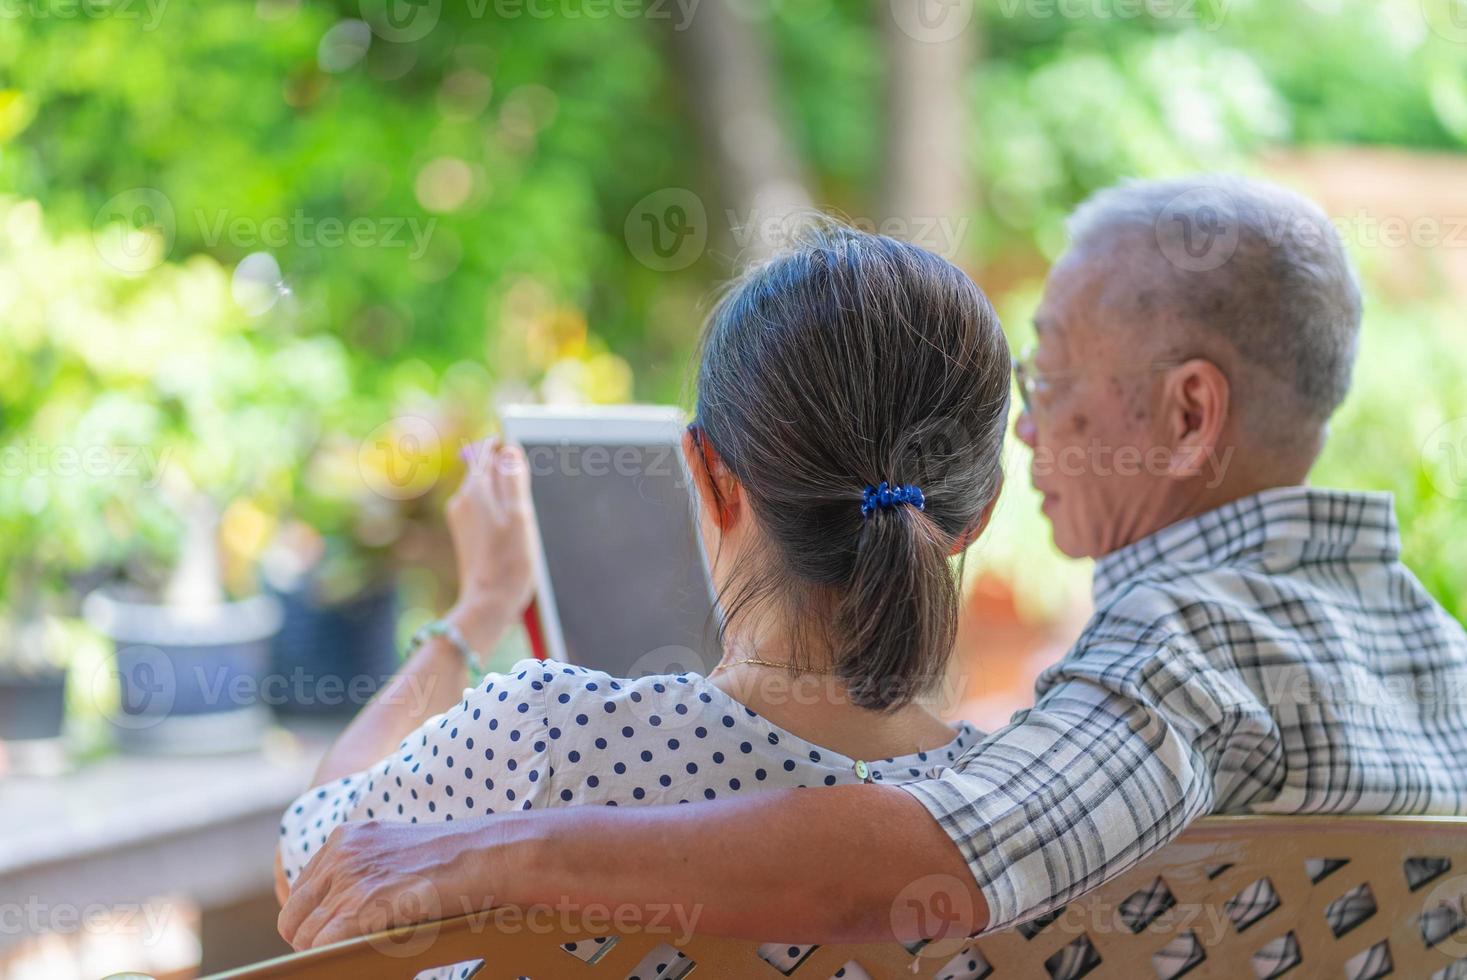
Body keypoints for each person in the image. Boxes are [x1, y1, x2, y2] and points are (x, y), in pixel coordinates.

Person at [279, 176, 1467, 973]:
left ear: (1192, 414)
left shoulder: (1186, 657)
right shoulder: (1431, 655)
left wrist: (488, 846)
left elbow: (919, 861)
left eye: (1048, 380)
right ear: (967, 516)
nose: (1035, 430)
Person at [276, 223, 1013, 971]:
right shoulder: (1021, 812)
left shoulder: (549, 736)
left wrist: (481, 606)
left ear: (707, 474)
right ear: (977, 515)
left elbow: (313, 861)